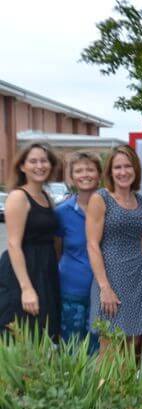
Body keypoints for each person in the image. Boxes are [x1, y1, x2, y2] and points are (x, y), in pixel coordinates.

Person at [87, 145, 142, 353]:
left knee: (132, 346)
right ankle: (102, 387)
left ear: (135, 170)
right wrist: (104, 287)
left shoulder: (139, 200)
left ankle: (122, 387)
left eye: (128, 166)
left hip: (136, 280)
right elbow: (92, 245)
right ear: (110, 171)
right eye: (117, 167)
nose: (123, 172)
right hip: (111, 279)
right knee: (110, 349)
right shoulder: (101, 198)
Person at [0, 142, 60, 339]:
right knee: (21, 335)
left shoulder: (46, 197)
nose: (39, 166)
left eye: (43, 161)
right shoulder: (18, 197)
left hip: (45, 270)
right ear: (22, 166)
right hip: (23, 273)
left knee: (43, 334)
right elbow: (13, 245)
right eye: (33, 161)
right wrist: (26, 289)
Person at [55, 152, 101, 348]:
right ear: (71, 177)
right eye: (79, 171)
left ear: (99, 174)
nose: (85, 174)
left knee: (99, 353)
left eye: (90, 169)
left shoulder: (110, 208)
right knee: (71, 351)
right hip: (71, 292)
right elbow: (57, 251)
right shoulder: (61, 212)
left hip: (103, 293)